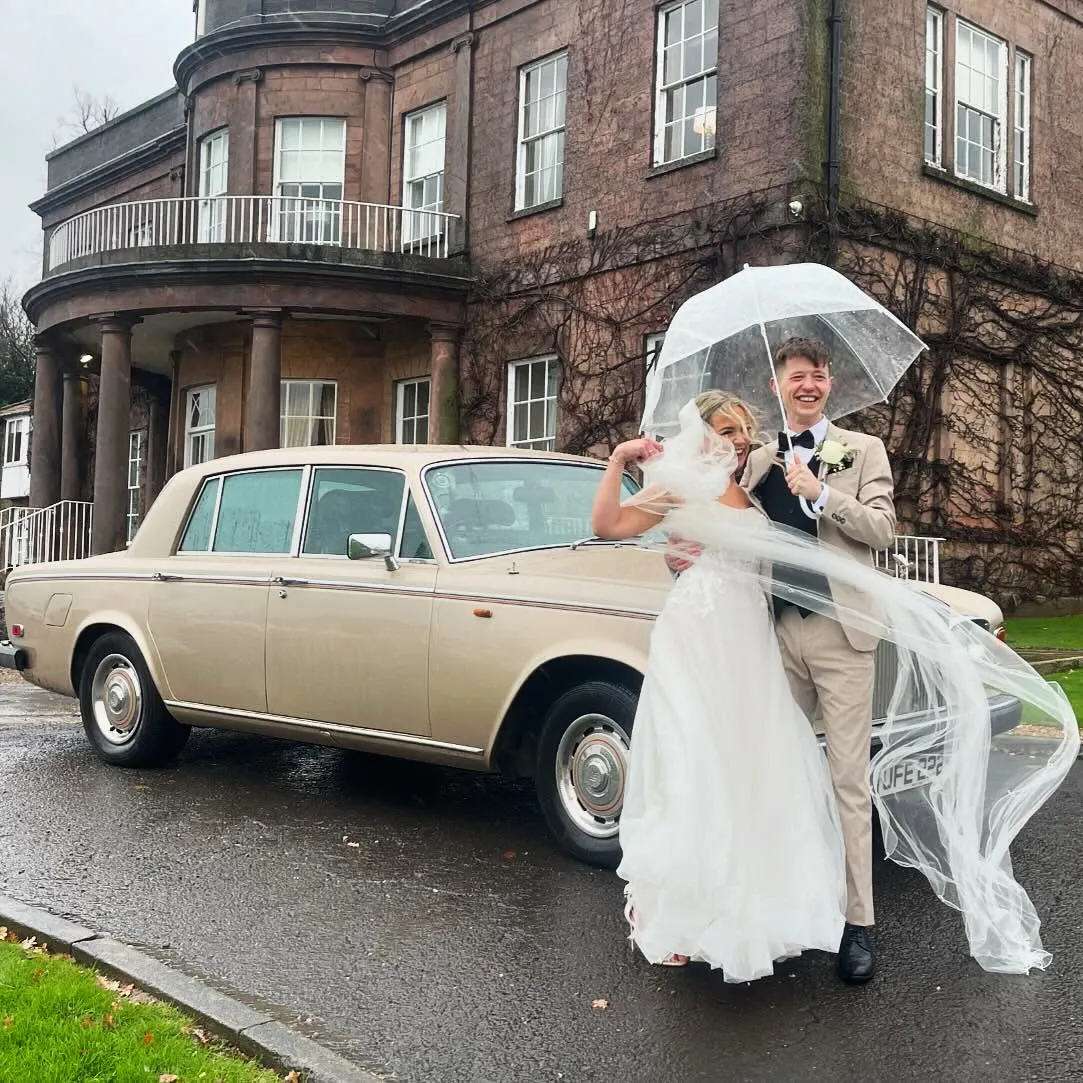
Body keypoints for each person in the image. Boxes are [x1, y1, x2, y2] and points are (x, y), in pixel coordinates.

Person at [591, 390, 848, 981]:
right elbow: (607, 525)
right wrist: (618, 461)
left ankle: (749, 901)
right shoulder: (680, 483)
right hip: (695, 637)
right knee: (694, 762)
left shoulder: (755, 489)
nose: (735, 440)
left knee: (747, 766)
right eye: (724, 429)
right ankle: (678, 910)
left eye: (742, 431)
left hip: (747, 644)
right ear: (700, 432)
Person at [740, 336, 894, 985]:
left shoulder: (861, 450)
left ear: (828, 385)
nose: (809, 384)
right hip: (776, 634)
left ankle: (856, 924)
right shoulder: (757, 459)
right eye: (797, 375)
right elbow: (726, 520)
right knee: (778, 775)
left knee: (845, 782)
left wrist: (823, 495)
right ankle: (788, 906)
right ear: (778, 387)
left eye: (819, 376)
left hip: (839, 635)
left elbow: (883, 531)